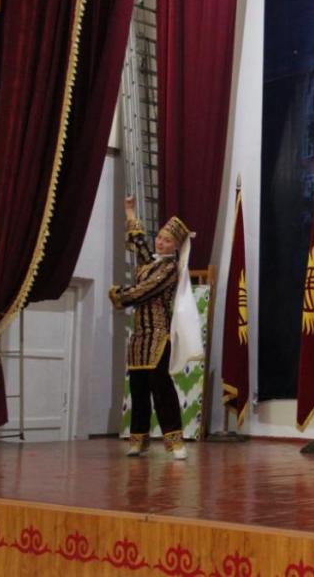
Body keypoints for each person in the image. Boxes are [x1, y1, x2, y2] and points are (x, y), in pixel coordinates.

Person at [109, 195, 196, 460]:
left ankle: (175, 442)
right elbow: (139, 242)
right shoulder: (150, 263)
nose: (160, 242)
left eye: (167, 240)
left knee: (161, 389)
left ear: (176, 246)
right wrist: (130, 212)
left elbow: (145, 290)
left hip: (158, 335)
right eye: (159, 237)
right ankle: (139, 440)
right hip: (139, 337)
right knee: (138, 389)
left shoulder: (170, 269)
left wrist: (119, 294)